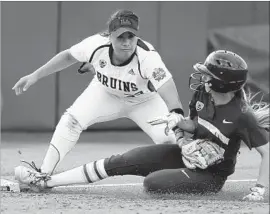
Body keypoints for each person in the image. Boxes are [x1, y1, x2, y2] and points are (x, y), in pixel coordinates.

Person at [15, 50, 269, 201]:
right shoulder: (203, 94)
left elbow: (266, 153)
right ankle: (45, 182)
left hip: (210, 175)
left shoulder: (242, 116)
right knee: (123, 159)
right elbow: (194, 125)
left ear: (223, 83)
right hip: (186, 155)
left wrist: (259, 190)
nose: (202, 78)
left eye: (208, 75)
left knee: (153, 184)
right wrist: (180, 124)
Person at [12, 9, 185, 176]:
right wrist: (35, 75)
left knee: (169, 140)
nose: (126, 42)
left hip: (144, 102)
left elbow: (166, 84)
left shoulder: (147, 57)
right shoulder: (95, 45)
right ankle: (44, 172)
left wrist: (175, 110)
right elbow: (67, 57)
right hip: (105, 94)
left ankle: (183, 176)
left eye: (130, 36)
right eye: (120, 37)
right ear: (110, 37)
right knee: (71, 121)